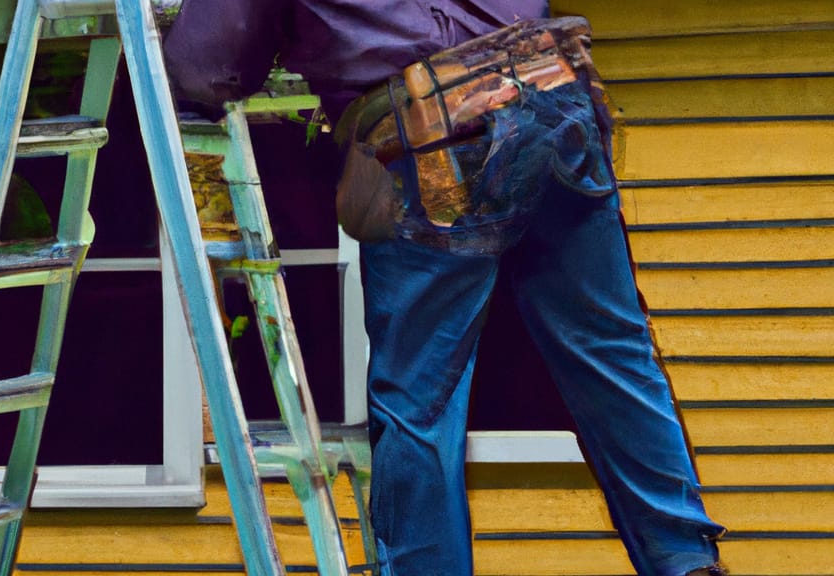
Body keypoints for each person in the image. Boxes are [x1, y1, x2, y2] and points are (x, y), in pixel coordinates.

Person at [163, 2, 728, 575]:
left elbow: (207, 67)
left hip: (431, 135)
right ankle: (685, 561)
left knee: (419, 399)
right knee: (613, 354)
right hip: (553, 96)